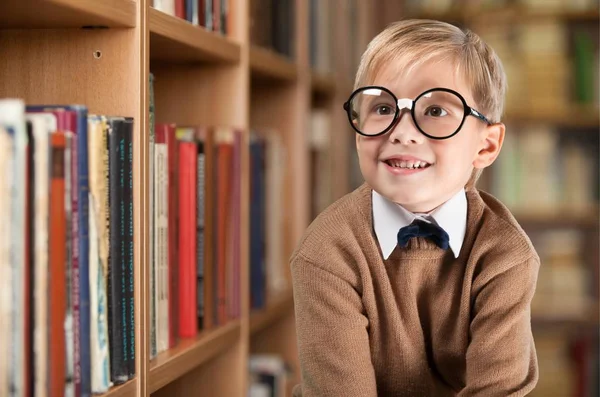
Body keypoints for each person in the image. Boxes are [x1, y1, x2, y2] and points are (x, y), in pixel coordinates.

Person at [290, 19, 540, 396]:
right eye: (383, 107)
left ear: (486, 146)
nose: (402, 131)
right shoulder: (327, 250)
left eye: (436, 111)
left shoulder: (505, 254)